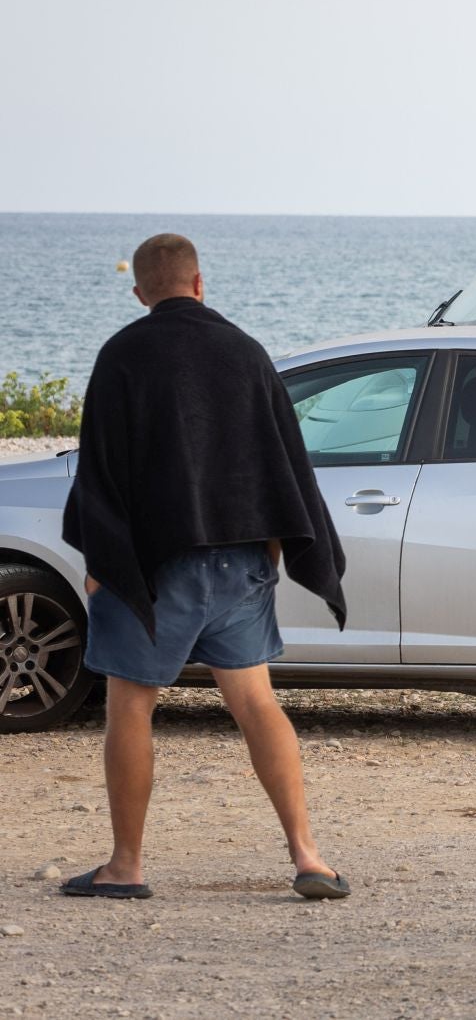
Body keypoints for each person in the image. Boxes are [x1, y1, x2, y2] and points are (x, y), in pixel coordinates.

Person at [59, 233, 352, 900]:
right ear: (198, 282)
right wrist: (273, 552)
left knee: (130, 708)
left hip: (154, 570)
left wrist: (101, 560)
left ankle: (126, 866)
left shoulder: (122, 354)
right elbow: (282, 460)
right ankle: (309, 855)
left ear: (141, 293)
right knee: (256, 702)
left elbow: (100, 468)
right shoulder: (246, 352)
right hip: (243, 558)